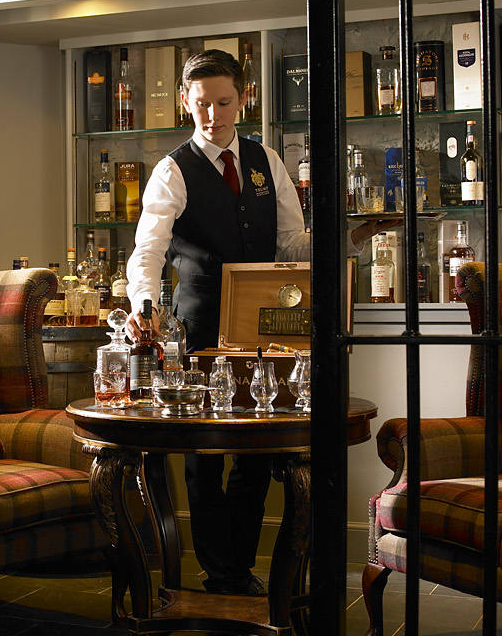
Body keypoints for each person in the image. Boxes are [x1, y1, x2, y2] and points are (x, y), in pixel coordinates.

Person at [124, 48, 310, 597]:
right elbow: (147, 249)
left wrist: (342, 236)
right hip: (197, 330)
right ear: (186, 101)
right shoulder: (172, 170)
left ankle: (237, 569)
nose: (213, 114)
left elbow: (289, 244)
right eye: (202, 104)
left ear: (243, 98)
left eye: (224, 102)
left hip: (262, 329)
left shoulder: (266, 161)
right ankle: (219, 572)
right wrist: (143, 304)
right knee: (205, 457)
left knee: (254, 456)